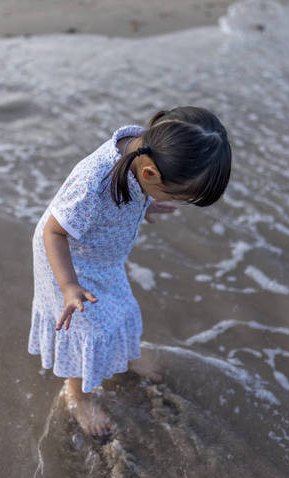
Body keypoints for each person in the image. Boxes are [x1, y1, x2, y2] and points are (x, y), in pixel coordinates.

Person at [27, 106, 232, 438]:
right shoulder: (95, 184)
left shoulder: (147, 149)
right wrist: (68, 286)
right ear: (150, 174)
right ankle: (77, 395)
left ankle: (126, 357)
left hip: (102, 260)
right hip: (69, 264)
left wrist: (147, 203)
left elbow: (134, 186)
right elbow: (53, 232)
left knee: (121, 309)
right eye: (174, 195)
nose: (175, 201)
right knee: (88, 332)